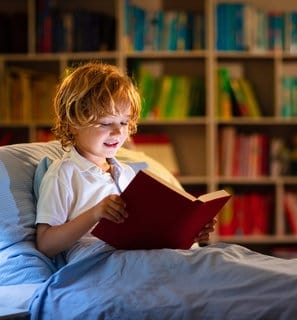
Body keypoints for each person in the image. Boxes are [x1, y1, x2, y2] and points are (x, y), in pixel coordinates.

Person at [35, 62, 215, 260]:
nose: (118, 132)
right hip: (97, 262)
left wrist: (189, 232)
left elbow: (146, 231)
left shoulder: (127, 173)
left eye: (124, 122)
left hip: (137, 256)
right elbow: (45, 244)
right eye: (105, 123)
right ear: (72, 125)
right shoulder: (64, 173)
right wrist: (95, 214)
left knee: (223, 259)